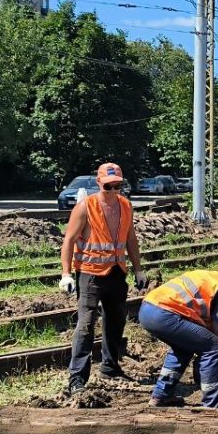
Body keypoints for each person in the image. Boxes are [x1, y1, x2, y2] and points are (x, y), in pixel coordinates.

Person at [59, 162, 147, 394]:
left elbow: (131, 240)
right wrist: (66, 274)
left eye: (118, 186)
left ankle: (110, 365)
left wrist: (138, 270)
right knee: (86, 324)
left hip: (117, 272)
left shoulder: (126, 206)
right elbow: (68, 240)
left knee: (116, 319)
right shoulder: (85, 207)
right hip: (89, 273)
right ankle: (77, 378)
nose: (113, 191)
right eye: (109, 186)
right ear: (99, 183)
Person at [141, 251, 218, 408]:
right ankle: (211, 404)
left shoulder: (213, 278)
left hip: (148, 309)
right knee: (214, 347)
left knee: (183, 348)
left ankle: (161, 396)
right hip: (165, 314)